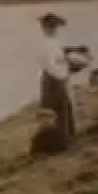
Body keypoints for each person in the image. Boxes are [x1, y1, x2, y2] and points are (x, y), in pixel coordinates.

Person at [37, 12, 77, 147]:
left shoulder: (56, 42)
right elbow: (49, 65)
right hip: (52, 79)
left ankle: (66, 136)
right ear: (45, 28)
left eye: (54, 27)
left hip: (59, 77)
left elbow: (60, 59)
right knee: (55, 108)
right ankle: (58, 140)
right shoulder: (46, 45)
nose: (52, 30)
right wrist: (62, 76)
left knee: (64, 106)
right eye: (50, 27)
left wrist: (67, 65)